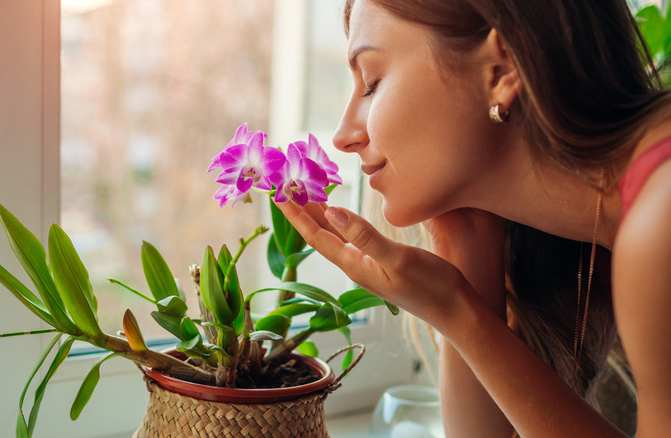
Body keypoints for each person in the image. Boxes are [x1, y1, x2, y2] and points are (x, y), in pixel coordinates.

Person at [275, 0, 671, 436]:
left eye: (371, 82)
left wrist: (458, 312)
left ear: (501, 71)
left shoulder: (661, 217)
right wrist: (465, 247)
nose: (344, 135)